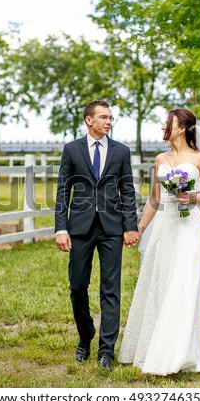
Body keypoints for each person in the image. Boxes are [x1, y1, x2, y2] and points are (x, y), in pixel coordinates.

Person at [118, 108, 200, 375]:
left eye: (167, 122)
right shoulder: (160, 159)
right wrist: (138, 227)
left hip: (190, 228)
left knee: (185, 284)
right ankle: (155, 344)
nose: (163, 126)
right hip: (165, 227)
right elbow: (154, 200)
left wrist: (191, 197)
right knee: (161, 283)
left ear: (182, 127)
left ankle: (181, 352)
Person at [55, 100, 140, 371]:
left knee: (110, 289)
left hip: (112, 228)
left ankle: (106, 351)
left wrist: (130, 226)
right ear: (88, 120)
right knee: (77, 286)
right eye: (103, 117)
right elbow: (62, 191)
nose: (109, 122)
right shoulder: (71, 150)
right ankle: (85, 335)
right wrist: (61, 227)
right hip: (79, 228)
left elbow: (127, 190)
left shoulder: (121, 151)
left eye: (111, 118)